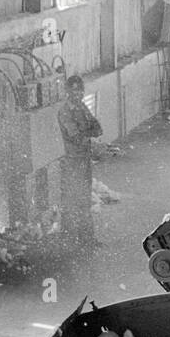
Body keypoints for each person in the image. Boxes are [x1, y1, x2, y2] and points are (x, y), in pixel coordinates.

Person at [57, 75, 103, 245]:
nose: (77, 94)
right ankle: (69, 238)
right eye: (73, 90)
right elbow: (76, 137)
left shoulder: (82, 107)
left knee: (84, 199)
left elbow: (98, 128)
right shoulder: (64, 112)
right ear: (67, 91)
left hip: (83, 158)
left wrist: (87, 133)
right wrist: (88, 132)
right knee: (71, 200)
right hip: (71, 161)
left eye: (80, 90)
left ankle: (87, 238)